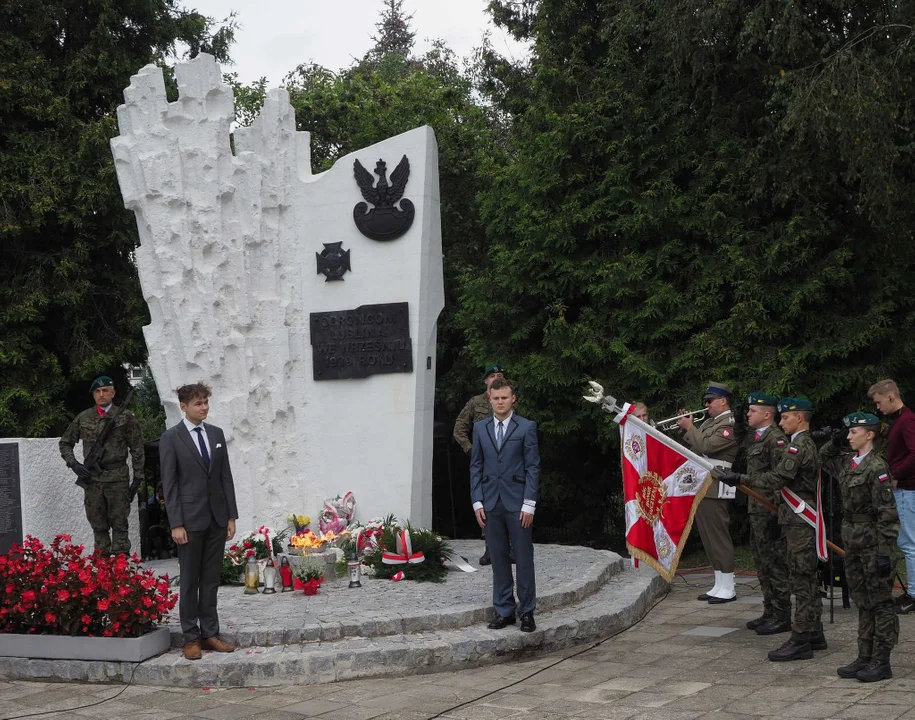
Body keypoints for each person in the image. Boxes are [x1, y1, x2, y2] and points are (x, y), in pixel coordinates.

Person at [719, 397, 825, 661]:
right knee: (803, 576)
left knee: (801, 577)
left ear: (799, 418)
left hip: (799, 518)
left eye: (785, 418)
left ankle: (802, 638)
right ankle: (813, 631)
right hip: (796, 516)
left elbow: (778, 478)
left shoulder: (797, 446)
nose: (781, 422)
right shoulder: (799, 443)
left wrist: (741, 478)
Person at [160, 383, 239, 660]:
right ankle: (190, 637)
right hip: (189, 521)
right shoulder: (171, 438)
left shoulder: (216, 434)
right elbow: (169, 485)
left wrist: (231, 515)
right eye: (198, 403)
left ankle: (210, 634)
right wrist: (176, 523)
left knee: (211, 580)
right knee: (190, 581)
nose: (204, 407)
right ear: (183, 406)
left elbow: (224, 477)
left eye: (206, 402)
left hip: (217, 518)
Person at [820, 412, 898, 682]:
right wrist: (835, 440)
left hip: (873, 542)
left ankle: (881, 660)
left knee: (880, 602)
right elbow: (823, 458)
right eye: (848, 433)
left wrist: (886, 552)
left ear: (870, 434)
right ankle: (864, 655)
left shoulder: (877, 467)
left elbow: (887, 513)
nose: (849, 436)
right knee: (862, 601)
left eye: (853, 432)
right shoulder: (849, 464)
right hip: (852, 540)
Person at [469, 377, 540, 632]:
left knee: (523, 557)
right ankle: (504, 610)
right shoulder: (480, 428)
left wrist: (529, 504)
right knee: (498, 558)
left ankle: (527, 611)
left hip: (518, 502)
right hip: (490, 502)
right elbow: (476, 465)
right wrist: (477, 501)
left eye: (504, 398)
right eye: (496, 398)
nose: (500, 402)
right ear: (490, 399)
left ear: (513, 399)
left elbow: (532, 466)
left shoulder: (526, 427)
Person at [59, 376, 144, 556]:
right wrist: (74, 465)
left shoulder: (125, 417)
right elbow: (65, 443)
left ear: (113, 393)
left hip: (117, 477)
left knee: (120, 525)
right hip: (92, 479)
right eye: (97, 391)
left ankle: (121, 570)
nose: (101, 394)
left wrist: (138, 477)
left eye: (105, 390)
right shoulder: (84, 418)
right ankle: (103, 574)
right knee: (98, 526)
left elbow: (137, 448)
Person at [677, 382, 738, 603]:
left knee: (718, 536)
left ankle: (729, 586)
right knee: (708, 537)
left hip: (716, 485)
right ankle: (719, 583)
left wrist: (689, 428)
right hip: (703, 484)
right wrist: (688, 429)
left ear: (723, 401)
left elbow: (707, 447)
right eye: (706, 400)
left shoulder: (728, 424)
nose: (706, 405)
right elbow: (695, 447)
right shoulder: (711, 422)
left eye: (710, 400)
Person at [742, 392, 791, 636]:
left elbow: (781, 479)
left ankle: (783, 614)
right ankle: (770, 610)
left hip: (770, 510)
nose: (748, 414)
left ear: (767, 414)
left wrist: (777, 513)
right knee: (762, 563)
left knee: (775, 564)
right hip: (756, 510)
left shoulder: (776, 440)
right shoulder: (756, 438)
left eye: (752, 411)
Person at [454, 363, 512, 566]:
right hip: (485, 460)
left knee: (508, 498)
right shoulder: (475, 402)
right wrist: (471, 450)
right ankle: (490, 549)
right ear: (485, 380)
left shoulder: (509, 400)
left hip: (507, 459)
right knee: (487, 501)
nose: (495, 378)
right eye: (492, 375)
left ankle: (510, 547)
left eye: (499, 374)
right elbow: (459, 429)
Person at [868, 379, 915, 615]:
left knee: (909, 543)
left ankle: (914, 595)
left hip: (908, 489)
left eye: (878, 402)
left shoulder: (907, 420)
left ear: (890, 396)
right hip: (906, 488)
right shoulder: (900, 420)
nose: (877, 408)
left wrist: (896, 474)